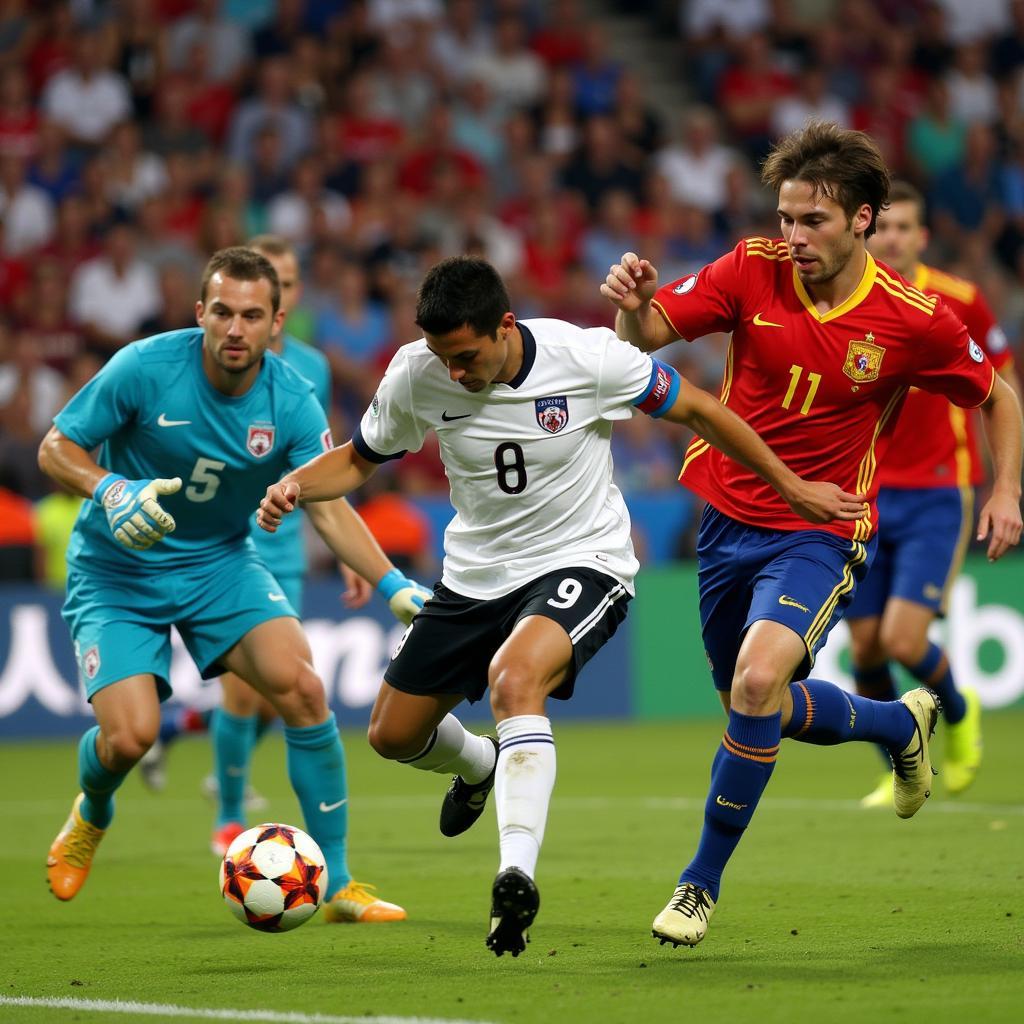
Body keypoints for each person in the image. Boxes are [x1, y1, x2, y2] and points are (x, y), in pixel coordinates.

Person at [257, 254, 869, 957]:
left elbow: (700, 409)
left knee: (515, 681)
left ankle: (514, 874)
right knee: (391, 735)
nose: (454, 373)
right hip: (474, 576)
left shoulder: (588, 358)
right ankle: (479, 766)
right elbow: (361, 459)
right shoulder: (416, 372)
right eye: (442, 358)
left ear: (505, 327)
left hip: (582, 561)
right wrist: (298, 485)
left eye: (465, 356)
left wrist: (791, 486)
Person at [600, 121, 1023, 949]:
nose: (791, 237)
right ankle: (899, 725)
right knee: (750, 702)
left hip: (822, 527)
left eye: (813, 222)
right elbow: (645, 342)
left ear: (864, 220)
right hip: (724, 518)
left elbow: (999, 393)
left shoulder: (913, 319)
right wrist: (635, 304)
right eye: (786, 216)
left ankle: (698, 886)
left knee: (758, 686)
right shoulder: (750, 268)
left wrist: (1006, 489)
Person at [40, 246, 431, 924]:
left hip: (219, 561)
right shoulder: (144, 367)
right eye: (222, 312)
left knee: (303, 688)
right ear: (200, 312)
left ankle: (336, 883)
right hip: (117, 571)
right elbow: (56, 447)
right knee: (129, 739)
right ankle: (93, 809)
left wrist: (395, 585)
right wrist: (108, 487)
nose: (235, 329)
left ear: (276, 321)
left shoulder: (291, 400)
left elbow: (329, 502)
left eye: (252, 315)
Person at [138, 234, 354, 857]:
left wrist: (347, 550)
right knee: (248, 691)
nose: (245, 319)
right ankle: (228, 815)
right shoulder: (191, 368)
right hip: (236, 545)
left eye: (281, 283)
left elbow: (323, 467)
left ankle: (177, 730)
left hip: (287, 543)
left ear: (287, 301)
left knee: (272, 698)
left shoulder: (308, 371)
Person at [847, 181, 1021, 808]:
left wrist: (1006, 486)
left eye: (904, 229)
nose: (891, 238)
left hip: (937, 493)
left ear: (921, 237)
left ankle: (960, 710)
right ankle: (900, 765)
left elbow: (1002, 386)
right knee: (864, 646)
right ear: (867, 233)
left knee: (900, 638)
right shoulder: (847, 298)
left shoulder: (960, 300)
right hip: (863, 494)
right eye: (883, 228)